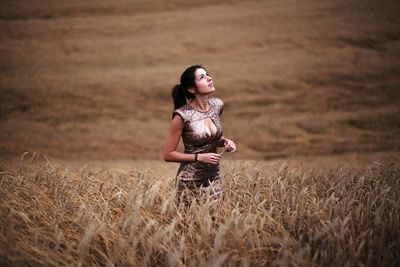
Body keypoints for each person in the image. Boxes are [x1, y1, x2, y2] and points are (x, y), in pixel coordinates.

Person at [163, 65, 236, 206]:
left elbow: (211, 139)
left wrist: (226, 141)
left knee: (219, 223)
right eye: (202, 77)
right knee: (191, 226)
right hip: (189, 182)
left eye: (207, 74)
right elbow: (168, 154)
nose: (209, 78)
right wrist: (199, 157)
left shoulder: (217, 105)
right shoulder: (182, 115)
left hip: (213, 178)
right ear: (192, 89)